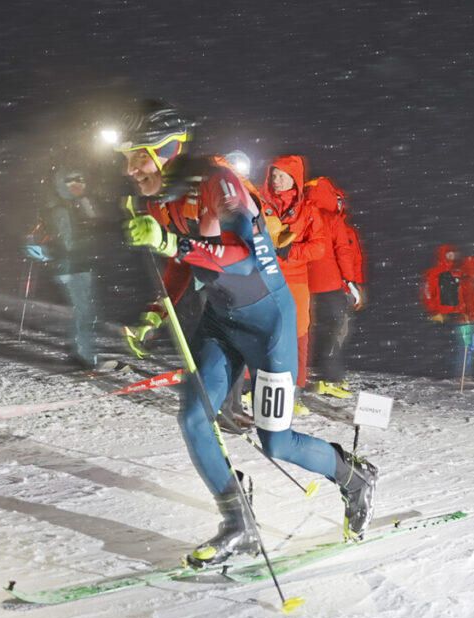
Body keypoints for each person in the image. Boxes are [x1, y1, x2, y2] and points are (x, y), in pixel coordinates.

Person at [116, 100, 378, 566]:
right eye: (126, 160)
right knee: (194, 419)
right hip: (220, 321)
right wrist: (155, 312)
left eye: (138, 157)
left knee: (277, 440)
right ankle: (239, 526)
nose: (130, 170)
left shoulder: (219, 181)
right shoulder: (163, 198)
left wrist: (171, 241)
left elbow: (242, 256)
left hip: (268, 323)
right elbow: (183, 262)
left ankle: (354, 478)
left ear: (167, 149)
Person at [256, 155, 327, 414]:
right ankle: (252, 387)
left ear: (294, 179)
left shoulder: (309, 211)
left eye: (282, 175)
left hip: (295, 278)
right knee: (259, 330)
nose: (276, 180)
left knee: (298, 334)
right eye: (273, 175)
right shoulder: (259, 204)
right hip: (264, 275)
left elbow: (319, 247)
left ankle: (294, 392)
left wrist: (291, 251)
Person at [22, 168, 101, 367]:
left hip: (83, 264)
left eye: (80, 181)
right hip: (73, 267)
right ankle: (85, 356)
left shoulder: (79, 204)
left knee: (84, 310)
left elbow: (94, 230)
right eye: (71, 182)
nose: (77, 185)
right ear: (62, 185)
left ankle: (81, 352)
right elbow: (67, 243)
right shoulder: (61, 209)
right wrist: (63, 266)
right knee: (85, 311)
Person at [305, 176, 362, 399]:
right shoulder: (332, 219)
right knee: (334, 331)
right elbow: (343, 252)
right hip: (329, 285)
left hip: (303, 284)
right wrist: (350, 281)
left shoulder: (301, 214)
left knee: (307, 332)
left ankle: (305, 376)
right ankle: (329, 379)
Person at [456, 255, 474, 379]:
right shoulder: (465, 283)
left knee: (470, 346)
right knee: (466, 346)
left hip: (469, 319)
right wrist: (464, 314)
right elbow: (460, 300)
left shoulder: (470, 283)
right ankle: (461, 374)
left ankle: (464, 373)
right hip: (465, 320)